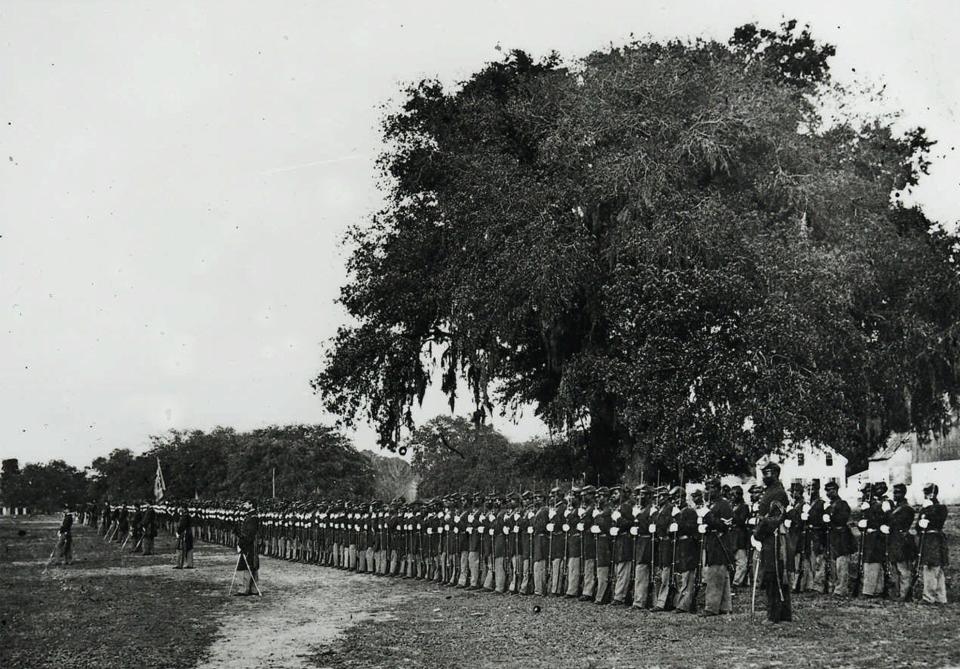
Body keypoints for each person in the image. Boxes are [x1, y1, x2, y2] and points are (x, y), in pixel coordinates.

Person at [752, 462, 791, 623]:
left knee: (773, 575)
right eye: (764, 473)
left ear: (775, 473)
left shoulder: (778, 492)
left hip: (772, 538)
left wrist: (757, 535)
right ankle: (782, 613)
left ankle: (775, 615)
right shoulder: (771, 491)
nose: (764, 477)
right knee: (773, 576)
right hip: (768, 537)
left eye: (768, 473)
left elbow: (772, 519)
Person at [700, 479, 733, 616]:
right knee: (722, 575)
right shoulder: (713, 505)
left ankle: (711, 607)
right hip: (712, 541)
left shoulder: (724, 504)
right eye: (706, 488)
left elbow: (725, 525)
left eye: (711, 488)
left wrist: (707, 516)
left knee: (715, 574)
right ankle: (725, 606)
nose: (708, 491)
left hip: (720, 542)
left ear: (718, 489)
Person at [916, 482, 948, 604]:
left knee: (932, 567)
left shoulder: (940, 508)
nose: (926, 495)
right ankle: (940, 597)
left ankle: (930, 597)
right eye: (925, 492)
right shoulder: (925, 508)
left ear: (933, 494)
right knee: (934, 568)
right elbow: (919, 526)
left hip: (935, 539)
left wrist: (929, 509)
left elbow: (937, 521)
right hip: (927, 539)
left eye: (928, 493)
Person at [824, 480, 854, 595]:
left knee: (842, 564)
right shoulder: (829, 506)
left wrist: (830, 519)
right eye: (827, 490)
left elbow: (842, 519)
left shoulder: (842, 504)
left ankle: (841, 589)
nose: (829, 493)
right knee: (833, 564)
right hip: (832, 536)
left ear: (836, 490)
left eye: (831, 490)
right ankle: (835, 587)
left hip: (841, 536)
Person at [887, 483, 915, 600]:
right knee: (894, 568)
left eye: (897, 492)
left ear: (903, 494)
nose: (895, 495)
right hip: (894, 540)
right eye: (894, 492)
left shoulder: (906, 509)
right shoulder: (897, 507)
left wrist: (888, 512)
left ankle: (904, 594)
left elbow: (896, 523)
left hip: (902, 542)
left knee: (903, 569)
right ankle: (896, 593)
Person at [234, 500, 260, 596]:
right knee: (251, 565)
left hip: (249, 544)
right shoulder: (250, 516)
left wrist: (242, 542)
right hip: (249, 544)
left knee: (245, 565)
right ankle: (253, 588)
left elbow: (249, 534)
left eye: (246, 503)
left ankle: (244, 589)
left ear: (251, 504)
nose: (244, 505)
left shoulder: (253, 518)